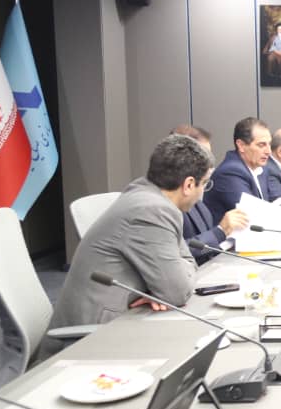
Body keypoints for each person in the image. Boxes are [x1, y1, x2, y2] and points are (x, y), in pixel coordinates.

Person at [49, 135, 211, 328]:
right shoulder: (152, 210)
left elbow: (186, 264)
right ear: (189, 184)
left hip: (119, 316)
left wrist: (163, 287)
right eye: (205, 183)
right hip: (93, 333)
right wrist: (167, 286)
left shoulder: (145, 194)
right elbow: (178, 292)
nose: (203, 192)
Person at [171, 125, 249, 263]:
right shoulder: (164, 201)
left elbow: (208, 243)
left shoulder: (198, 196)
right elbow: (175, 251)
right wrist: (220, 231)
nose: (210, 162)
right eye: (204, 155)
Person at [203, 117, 273, 222]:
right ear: (241, 145)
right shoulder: (230, 172)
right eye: (261, 145)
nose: (268, 151)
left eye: (269, 144)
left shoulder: (260, 169)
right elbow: (252, 215)